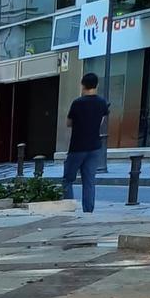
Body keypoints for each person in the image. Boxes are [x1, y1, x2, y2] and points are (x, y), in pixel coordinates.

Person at [63, 73, 109, 213]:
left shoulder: (78, 103)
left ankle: (69, 208)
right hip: (94, 146)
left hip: (77, 147)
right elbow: (101, 121)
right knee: (89, 181)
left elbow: (68, 123)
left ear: (82, 85)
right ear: (97, 85)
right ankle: (88, 211)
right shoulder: (102, 102)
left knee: (68, 180)